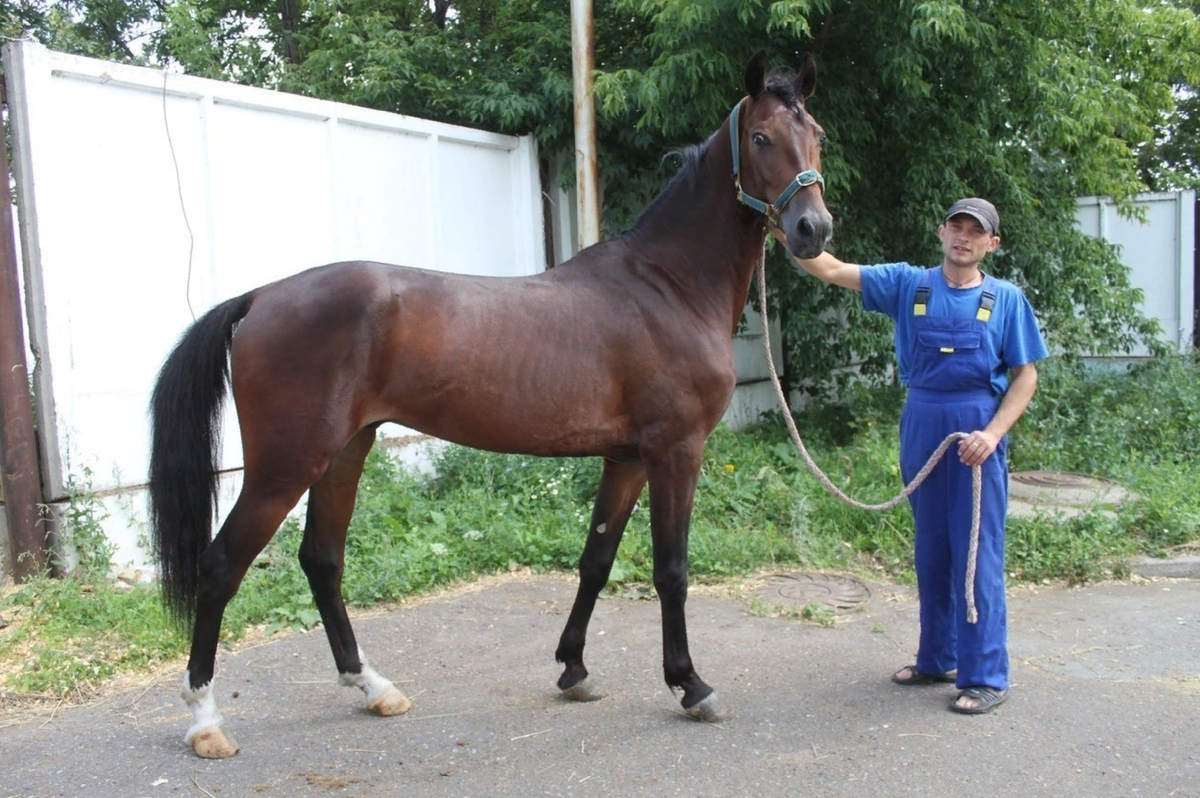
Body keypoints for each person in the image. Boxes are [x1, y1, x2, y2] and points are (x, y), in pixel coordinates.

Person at [785, 197, 1048, 714]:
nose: (964, 236)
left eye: (977, 231)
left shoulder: (1008, 300)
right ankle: (938, 659)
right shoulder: (909, 284)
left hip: (976, 434)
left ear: (991, 244)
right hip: (923, 423)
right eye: (957, 226)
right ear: (941, 231)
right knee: (931, 551)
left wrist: (993, 434)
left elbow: (1026, 377)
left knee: (977, 554)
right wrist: (786, 229)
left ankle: (986, 675)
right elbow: (830, 268)